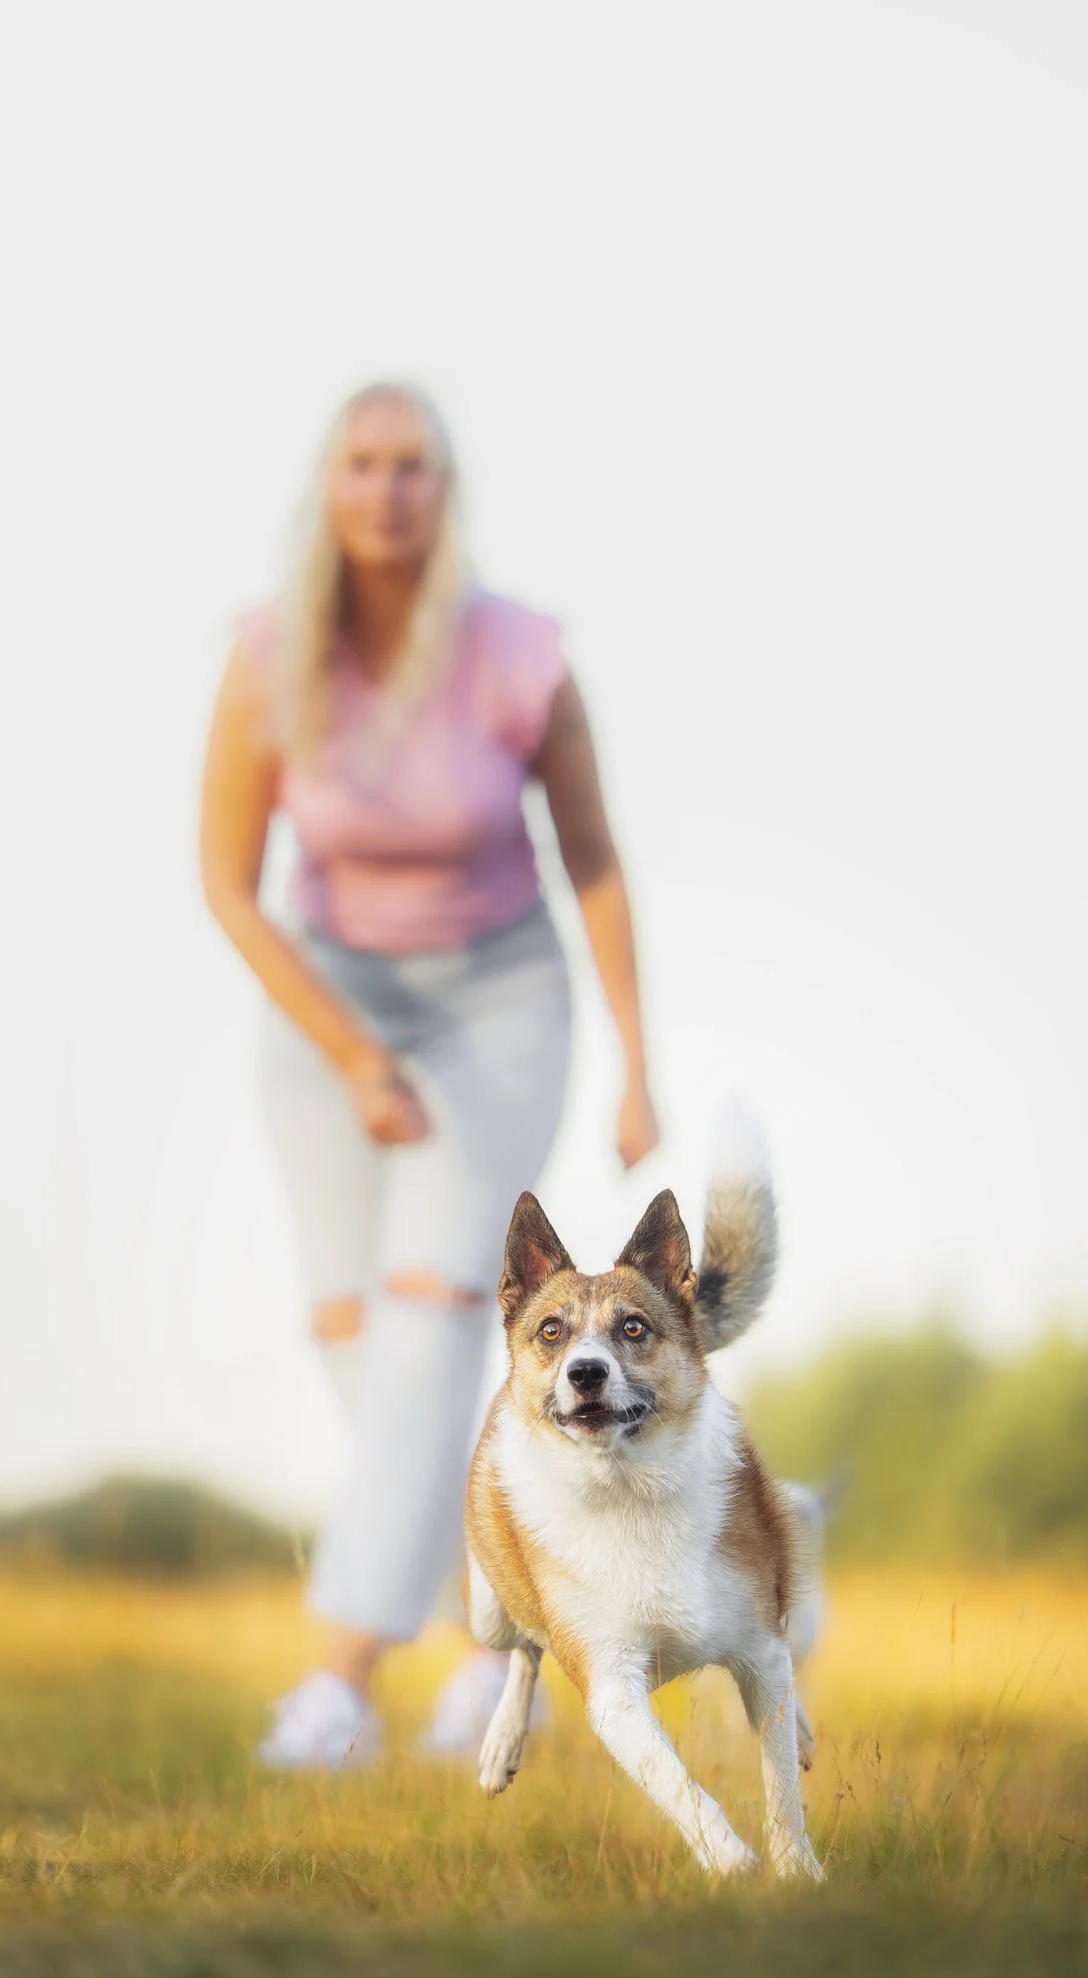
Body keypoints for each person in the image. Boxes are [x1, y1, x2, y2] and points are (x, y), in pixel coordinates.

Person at [198, 380, 657, 1768]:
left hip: (497, 1001)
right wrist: (350, 1056)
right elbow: (227, 887)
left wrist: (636, 1062)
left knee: (423, 1320)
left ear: (442, 491)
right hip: (324, 1003)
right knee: (353, 1337)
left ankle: (336, 1681)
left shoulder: (520, 658)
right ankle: (492, 1627)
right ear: (328, 491)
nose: (387, 489)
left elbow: (593, 859)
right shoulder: (270, 657)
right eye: (363, 465)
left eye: (413, 466)